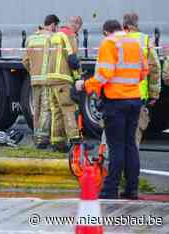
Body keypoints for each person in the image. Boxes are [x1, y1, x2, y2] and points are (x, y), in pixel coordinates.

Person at [76, 20, 148, 199]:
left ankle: (110, 189)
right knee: (130, 144)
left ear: (106, 31)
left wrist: (85, 85)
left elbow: (103, 75)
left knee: (115, 146)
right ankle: (132, 188)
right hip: (134, 99)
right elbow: (143, 72)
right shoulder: (134, 42)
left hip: (116, 102)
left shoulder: (109, 43)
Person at [42, 16, 83, 151]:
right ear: (76, 25)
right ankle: (74, 139)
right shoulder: (70, 36)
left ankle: (57, 143)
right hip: (63, 79)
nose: (78, 31)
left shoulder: (53, 37)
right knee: (68, 108)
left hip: (50, 79)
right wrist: (78, 78)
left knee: (56, 111)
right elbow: (73, 60)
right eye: (79, 27)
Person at [123, 13, 161, 147]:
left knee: (117, 134)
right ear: (136, 23)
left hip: (117, 95)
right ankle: (130, 165)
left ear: (125, 24)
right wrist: (154, 94)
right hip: (138, 94)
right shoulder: (145, 40)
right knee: (134, 134)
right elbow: (155, 68)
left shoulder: (115, 40)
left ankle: (114, 165)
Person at [22, 14, 60, 148]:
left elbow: (25, 60)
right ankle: (42, 139)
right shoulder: (51, 38)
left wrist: (32, 72)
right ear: (53, 25)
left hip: (34, 79)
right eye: (56, 26)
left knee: (36, 110)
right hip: (46, 79)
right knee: (45, 109)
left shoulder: (31, 38)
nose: (57, 29)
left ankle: (36, 136)